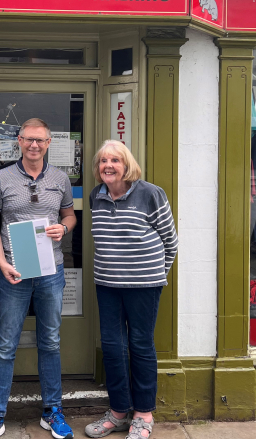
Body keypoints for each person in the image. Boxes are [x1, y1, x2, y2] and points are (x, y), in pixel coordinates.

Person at [0, 118, 78, 439]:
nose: (34, 145)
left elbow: (69, 214)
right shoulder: (1, 178)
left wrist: (64, 228)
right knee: (6, 345)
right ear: (19, 141)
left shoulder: (60, 178)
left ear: (49, 143)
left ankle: (52, 411)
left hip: (51, 271)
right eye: (29, 140)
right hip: (14, 272)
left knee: (50, 342)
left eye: (40, 141)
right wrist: (1, 262)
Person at [84, 140, 178, 439]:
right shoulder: (95, 196)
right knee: (112, 348)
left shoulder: (150, 193)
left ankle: (144, 414)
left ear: (127, 165)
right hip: (107, 284)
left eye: (115, 160)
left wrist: (154, 277)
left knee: (140, 345)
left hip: (143, 285)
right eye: (103, 161)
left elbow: (170, 242)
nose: (108, 166)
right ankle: (119, 412)